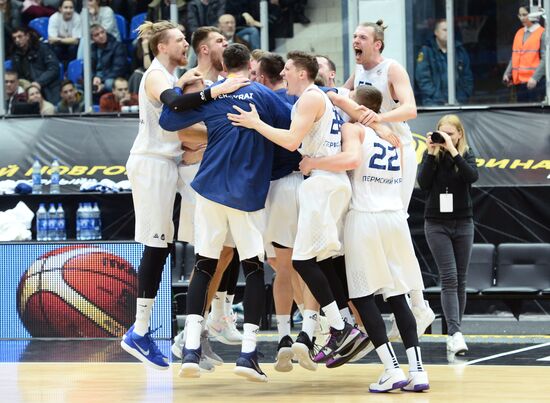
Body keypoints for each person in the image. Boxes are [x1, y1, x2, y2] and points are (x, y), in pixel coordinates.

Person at [228, 50, 369, 370]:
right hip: (329, 183)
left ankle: (340, 327)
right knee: (321, 261)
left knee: (303, 261)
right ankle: (340, 324)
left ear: (303, 73)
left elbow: (291, 142)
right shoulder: (322, 97)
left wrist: (255, 122)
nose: (285, 73)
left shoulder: (309, 98)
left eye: (289, 69)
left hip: (322, 183)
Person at [159, 43, 292, 382]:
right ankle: (248, 354)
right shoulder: (262, 93)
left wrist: (207, 95)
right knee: (253, 269)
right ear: (250, 65)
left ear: (222, 66)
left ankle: (189, 349)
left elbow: (168, 116)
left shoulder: (213, 95)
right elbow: (294, 131)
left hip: (209, 188)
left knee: (204, 264)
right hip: (245, 191)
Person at [120, 22, 247, 372]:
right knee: (158, 244)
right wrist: (213, 94)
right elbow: (173, 103)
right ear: (162, 46)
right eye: (178, 39)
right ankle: (140, 330)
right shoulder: (156, 75)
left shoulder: (182, 74)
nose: (184, 44)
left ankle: (217, 313)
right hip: (153, 162)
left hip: (176, 163)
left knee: (221, 229)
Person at [344, 20, 435, 339]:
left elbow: (410, 108)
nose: (356, 40)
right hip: (372, 147)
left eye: (362, 37)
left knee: (395, 222)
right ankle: (403, 301)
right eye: (354, 36)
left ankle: (419, 303)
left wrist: (378, 118)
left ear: (377, 44)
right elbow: (342, 97)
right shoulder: (358, 74)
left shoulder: (391, 69)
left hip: (397, 148)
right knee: (379, 228)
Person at [417, 114, 478, 356]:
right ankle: (455, 334)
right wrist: (432, 153)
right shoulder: (432, 154)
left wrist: (453, 150)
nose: (445, 138)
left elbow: (471, 177)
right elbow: (423, 183)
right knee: (450, 277)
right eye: (442, 133)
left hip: (463, 222)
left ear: (459, 134)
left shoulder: (466, 153)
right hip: (436, 223)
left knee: (460, 280)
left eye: (450, 134)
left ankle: (455, 331)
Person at [415, 19, 473, 105]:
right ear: (436, 32)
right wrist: (437, 97)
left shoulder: (460, 51)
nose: (448, 33)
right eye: (445, 30)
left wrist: (462, 97)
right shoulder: (426, 51)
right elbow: (422, 79)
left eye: (450, 30)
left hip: (458, 103)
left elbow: (467, 77)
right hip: (433, 103)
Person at [503, 4, 546, 102]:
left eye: (524, 15)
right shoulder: (519, 33)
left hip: (536, 82)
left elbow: (546, 58)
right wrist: (508, 73)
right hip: (520, 82)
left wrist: (535, 77)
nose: (522, 18)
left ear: (533, 15)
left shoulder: (542, 33)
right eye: (520, 15)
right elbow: (515, 55)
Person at [11, 26, 61, 104]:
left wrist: (39, 82)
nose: (17, 40)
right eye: (14, 38)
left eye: (20, 36)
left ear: (27, 36)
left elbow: (54, 68)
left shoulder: (41, 48)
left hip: (49, 85)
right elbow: (17, 76)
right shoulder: (15, 55)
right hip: (29, 88)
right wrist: (27, 85)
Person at [90, 24, 128, 93]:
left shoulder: (117, 46)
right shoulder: (91, 49)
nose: (101, 36)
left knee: (109, 83)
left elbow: (118, 69)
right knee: (80, 84)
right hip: (97, 78)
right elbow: (88, 68)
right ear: (92, 39)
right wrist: (93, 77)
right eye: (97, 35)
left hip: (111, 77)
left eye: (102, 32)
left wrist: (101, 80)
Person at [48, 0, 81, 68]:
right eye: (66, 7)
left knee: (73, 48)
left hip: (71, 45)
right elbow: (51, 40)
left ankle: (70, 71)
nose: (68, 10)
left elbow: (76, 41)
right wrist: (67, 39)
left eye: (71, 8)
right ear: (60, 9)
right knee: (56, 49)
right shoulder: (54, 18)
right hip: (58, 45)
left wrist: (59, 39)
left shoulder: (77, 18)